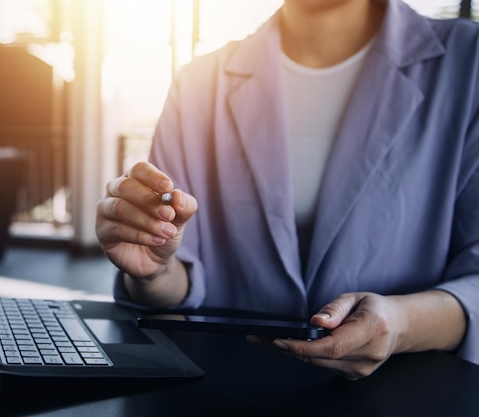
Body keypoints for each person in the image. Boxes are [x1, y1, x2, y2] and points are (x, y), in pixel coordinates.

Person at [95, 0, 479, 380]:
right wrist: (154, 272)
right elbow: (174, 283)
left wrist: (402, 324)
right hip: (228, 388)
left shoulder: (469, 62)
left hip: (411, 391)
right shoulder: (198, 82)